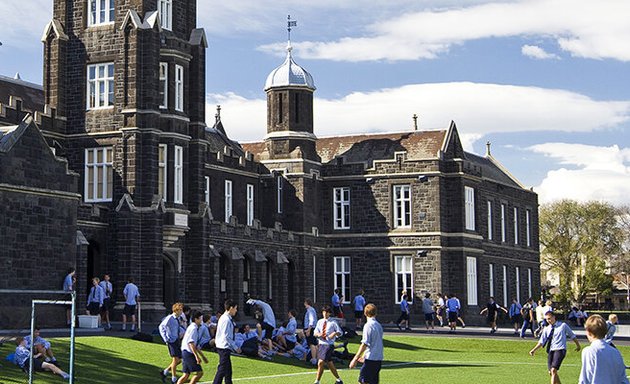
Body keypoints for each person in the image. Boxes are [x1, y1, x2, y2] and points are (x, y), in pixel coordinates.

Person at [529, 311, 581, 384]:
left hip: (560, 349)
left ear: (554, 317)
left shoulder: (563, 326)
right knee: (551, 372)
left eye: (549, 318)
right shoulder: (547, 329)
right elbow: (541, 341)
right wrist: (534, 350)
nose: (548, 321)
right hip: (551, 350)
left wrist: (578, 345)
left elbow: (572, 336)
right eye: (547, 319)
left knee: (553, 370)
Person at [578, 314, 628, 384]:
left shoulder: (589, 351)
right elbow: (623, 380)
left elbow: (585, 378)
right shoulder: (616, 352)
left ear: (588, 332)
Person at [350, 303, 383, 384]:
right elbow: (374, 342)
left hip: (371, 359)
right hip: (378, 359)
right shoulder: (379, 325)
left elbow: (365, 343)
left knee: (362, 381)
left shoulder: (368, 326)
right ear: (376, 313)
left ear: (365, 313)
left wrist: (355, 359)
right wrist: (364, 356)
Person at [313, 305, 344, 384]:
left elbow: (340, 332)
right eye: (323, 312)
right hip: (321, 344)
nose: (325, 314)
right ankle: (339, 380)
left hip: (328, 344)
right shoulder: (320, 321)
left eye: (326, 312)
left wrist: (334, 333)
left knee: (320, 362)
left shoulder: (333, 322)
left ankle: (317, 381)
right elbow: (315, 332)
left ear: (329, 313)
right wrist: (318, 334)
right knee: (329, 363)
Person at [213, 299, 241, 384]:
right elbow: (227, 336)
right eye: (235, 308)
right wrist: (236, 348)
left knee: (227, 371)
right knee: (222, 370)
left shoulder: (225, 318)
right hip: (224, 347)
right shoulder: (226, 319)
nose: (236, 310)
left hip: (223, 346)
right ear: (231, 308)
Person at [178, 310, 208, 384]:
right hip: (188, 353)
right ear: (196, 319)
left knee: (186, 375)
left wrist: (203, 356)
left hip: (185, 352)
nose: (202, 320)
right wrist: (197, 357)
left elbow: (196, 345)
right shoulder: (193, 329)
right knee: (199, 373)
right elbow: (191, 343)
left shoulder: (194, 328)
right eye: (200, 318)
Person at [159, 302, 185, 384]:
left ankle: (165, 372)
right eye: (180, 310)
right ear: (176, 310)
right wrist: (165, 339)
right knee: (175, 360)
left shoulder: (178, 319)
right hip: (171, 341)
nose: (181, 312)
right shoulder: (170, 318)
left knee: (179, 360)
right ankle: (174, 378)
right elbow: (161, 327)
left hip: (176, 340)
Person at [303, 298, 319, 366]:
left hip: (310, 329)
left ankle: (314, 359)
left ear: (307, 303)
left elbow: (311, 320)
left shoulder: (310, 310)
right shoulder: (312, 310)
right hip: (313, 328)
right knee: (315, 344)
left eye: (305, 303)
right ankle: (316, 358)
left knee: (311, 344)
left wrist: (308, 330)